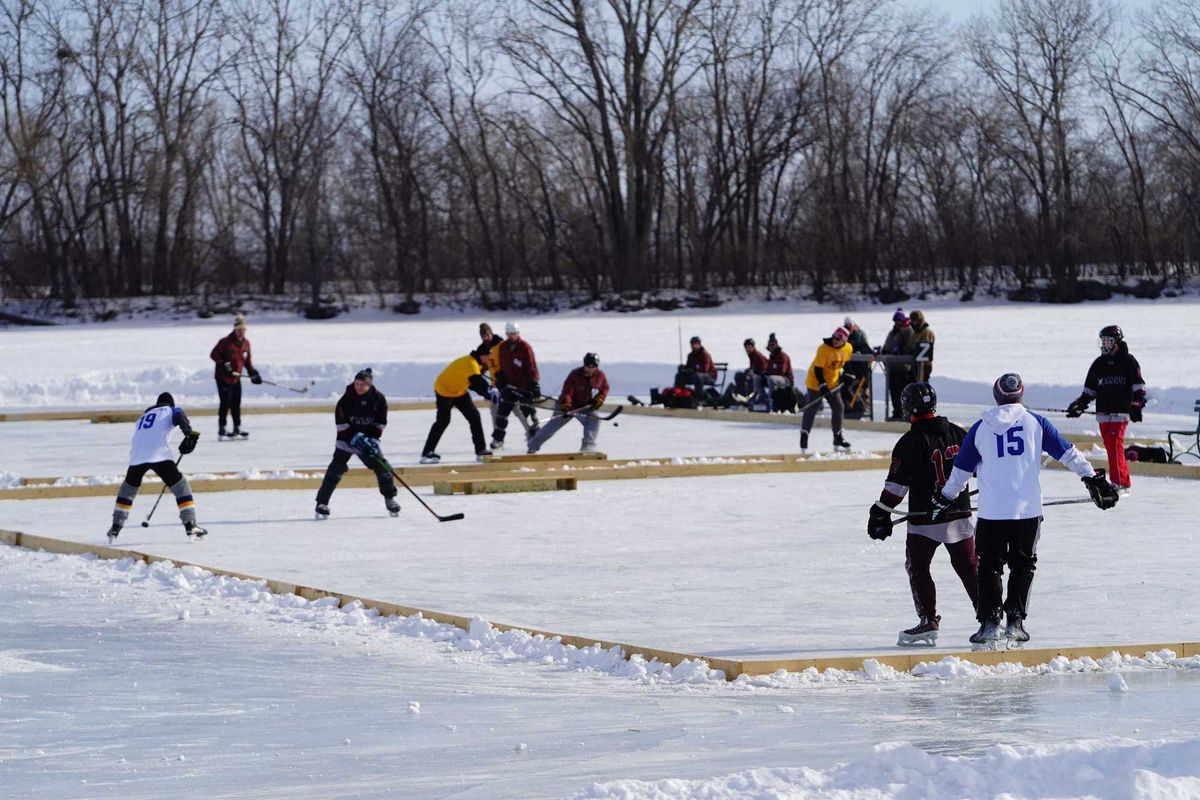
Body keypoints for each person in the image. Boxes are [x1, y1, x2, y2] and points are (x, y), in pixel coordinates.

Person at [930, 373, 1120, 647]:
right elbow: (1069, 454)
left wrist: (945, 497)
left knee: (989, 567)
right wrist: (1092, 478)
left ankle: (989, 624)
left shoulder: (980, 428)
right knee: (1023, 565)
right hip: (1027, 512)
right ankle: (1015, 623)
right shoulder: (1036, 422)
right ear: (1021, 394)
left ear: (996, 396)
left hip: (992, 512)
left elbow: (960, 472)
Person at [868, 382, 977, 646]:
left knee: (918, 566)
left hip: (925, 519)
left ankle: (928, 620)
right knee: (969, 567)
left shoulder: (909, 442)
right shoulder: (958, 432)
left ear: (907, 408)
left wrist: (880, 513)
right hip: (959, 514)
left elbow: (896, 487)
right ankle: (990, 617)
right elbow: (977, 469)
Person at [106, 392, 205, 541]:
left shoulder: (143, 417)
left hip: (137, 456)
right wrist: (188, 433)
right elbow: (180, 416)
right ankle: (190, 524)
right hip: (159, 454)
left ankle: (115, 527)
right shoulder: (171, 410)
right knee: (180, 486)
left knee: (128, 489)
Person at [1066, 325, 1146, 492]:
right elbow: (1090, 390)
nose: (1105, 345)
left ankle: (1118, 482)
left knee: (1114, 444)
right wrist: (1079, 405)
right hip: (1103, 413)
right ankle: (1124, 481)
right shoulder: (1099, 364)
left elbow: (1138, 387)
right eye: (1103, 341)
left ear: (1117, 342)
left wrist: (1136, 406)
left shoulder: (1128, 361)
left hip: (1120, 413)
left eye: (1108, 341)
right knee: (1111, 447)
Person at [314, 368, 400, 519]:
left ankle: (390, 499)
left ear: (369, 385)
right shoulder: (345, 399)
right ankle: (322, 503)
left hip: (366, 442)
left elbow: (380, 422)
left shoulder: (379, 399)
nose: (359, 387)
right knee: (335, 470)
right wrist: (355, 437)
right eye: (357, 383)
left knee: (383, 467)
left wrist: (372, 439)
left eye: (362, 384)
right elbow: (341, 424)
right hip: (346, 440)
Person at [421, 348, 493, 464]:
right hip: (444, 391)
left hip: (459, 392)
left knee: (474, 417)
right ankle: (427, 452)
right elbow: (477, 382)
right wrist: (488, 392)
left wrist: (488, 393)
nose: (489, 359)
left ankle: (481, 450)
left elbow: (472, 385)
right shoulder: (471, 364)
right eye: (488, 356)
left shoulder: (477, 364)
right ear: (482, 355)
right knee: (443, 421)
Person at [527, 353, 609, 454]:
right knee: (551, 428)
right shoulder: (575, 374)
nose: (590, 369)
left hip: (583, 407)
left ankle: (587, 449)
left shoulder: (600, 375)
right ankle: (532, 446)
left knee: (594, 420)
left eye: (593, 367)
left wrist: (599, 399)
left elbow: (604, 388)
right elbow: (567, 392)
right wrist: (566, 405)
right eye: (588, 366)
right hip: (565, 407)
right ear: (584, 365)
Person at [799, 326, 853, 451]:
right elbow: (818, 369)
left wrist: (849, 375)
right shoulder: (823, 349)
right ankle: (804, 434)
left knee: (839, 407)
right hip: (815, 381)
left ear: (844, 340)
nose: (835, 340)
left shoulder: (848, 348)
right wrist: (822, 384)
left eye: (838, 339)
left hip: (832, 382)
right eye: (834, 337)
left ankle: (838, 436)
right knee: (812, 408)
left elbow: (846, 363)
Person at [490, 321, 541, 450]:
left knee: (528, 413)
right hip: (509, 386)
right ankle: (498, 439)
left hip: (524, 387)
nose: (512, 336)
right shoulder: (503, 347)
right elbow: (502, 365)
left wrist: (534, 384)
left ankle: (534, 438)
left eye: (514, 334)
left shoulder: (525, 347)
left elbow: (532, 367)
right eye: (509, 334)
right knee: (502, 413)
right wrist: (500, 377)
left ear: (518, 333)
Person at [209, 313, 261, 438]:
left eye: (243, 330)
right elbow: (214, 355)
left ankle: (237, 427)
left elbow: (247, 361)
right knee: (225, 403)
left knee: (236, 403)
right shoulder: (225, 342)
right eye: (239, 330)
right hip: (223, 378)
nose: (241, 332)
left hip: (236, 378)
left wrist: (253, 373)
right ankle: (222, 428)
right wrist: (223, 364)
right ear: (235, 330)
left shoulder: (246, 344)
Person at [881, 309, 915, 420]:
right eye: (895, 321)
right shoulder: (893, 332)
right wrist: (884, 351)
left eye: (898, 320)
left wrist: (900, 351)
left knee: (903, 393)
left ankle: (905, 414)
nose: (896, 323)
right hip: (893, 367)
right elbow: (887, 345)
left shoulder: (908, 331)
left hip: (904, 368)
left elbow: (908, 347)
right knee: (894, 392)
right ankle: (897, 413)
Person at [841, 317, 874, 416]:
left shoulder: (859, 335)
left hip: (861, 370)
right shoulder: (844, 336)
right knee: (844, 387)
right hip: (850, 369)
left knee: (858, 388)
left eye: (849, 327)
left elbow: (867, 350)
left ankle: (860, 407)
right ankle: (849, 407)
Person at [725, 337, 768, 406]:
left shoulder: (758, 355)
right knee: (739, 375)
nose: (747, 349)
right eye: (746, 347)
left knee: (749, 377)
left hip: (762, 376)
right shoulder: (751, 355)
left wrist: (753, 371)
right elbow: (753, 367)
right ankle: (740, 394)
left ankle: (748, 396)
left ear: (753, 347)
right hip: (756, 374)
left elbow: (764, 368)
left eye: (749, 347)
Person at [762, 332, 795, 411]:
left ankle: (770, 401)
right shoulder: (771, 356)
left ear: (776, 345)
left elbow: (781, 372)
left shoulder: (782, 356)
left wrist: (769, 374)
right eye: (770, 345)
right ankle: (763, 399)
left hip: (786, 380)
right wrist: (764, 374)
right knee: (758, 379)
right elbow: (769, 369)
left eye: (773, 345)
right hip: (775, 378)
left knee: (771, 379)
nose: (771, 347)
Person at [909, 310, 935, 382]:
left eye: (916, 320)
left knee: (922, 385)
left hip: (924, 366)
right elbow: (910, 346)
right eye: (913, 320)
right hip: (915, 364)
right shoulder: (915, 333)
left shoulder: (926, 332)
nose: (914, 323)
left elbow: (926, 351)